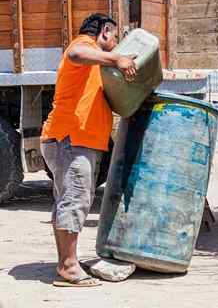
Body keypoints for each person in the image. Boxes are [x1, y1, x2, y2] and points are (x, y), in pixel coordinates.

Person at [41, 14, 136, 287]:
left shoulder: (95, 63)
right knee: (75, 200)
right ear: (105, 31)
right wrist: (117, 59)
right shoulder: (84, 46)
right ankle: (69, 267)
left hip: (71, 139)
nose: (115, 43)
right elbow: (76, 52)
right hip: (71, 139)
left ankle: (66, 263)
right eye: (114, 37)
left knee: (67, 201)